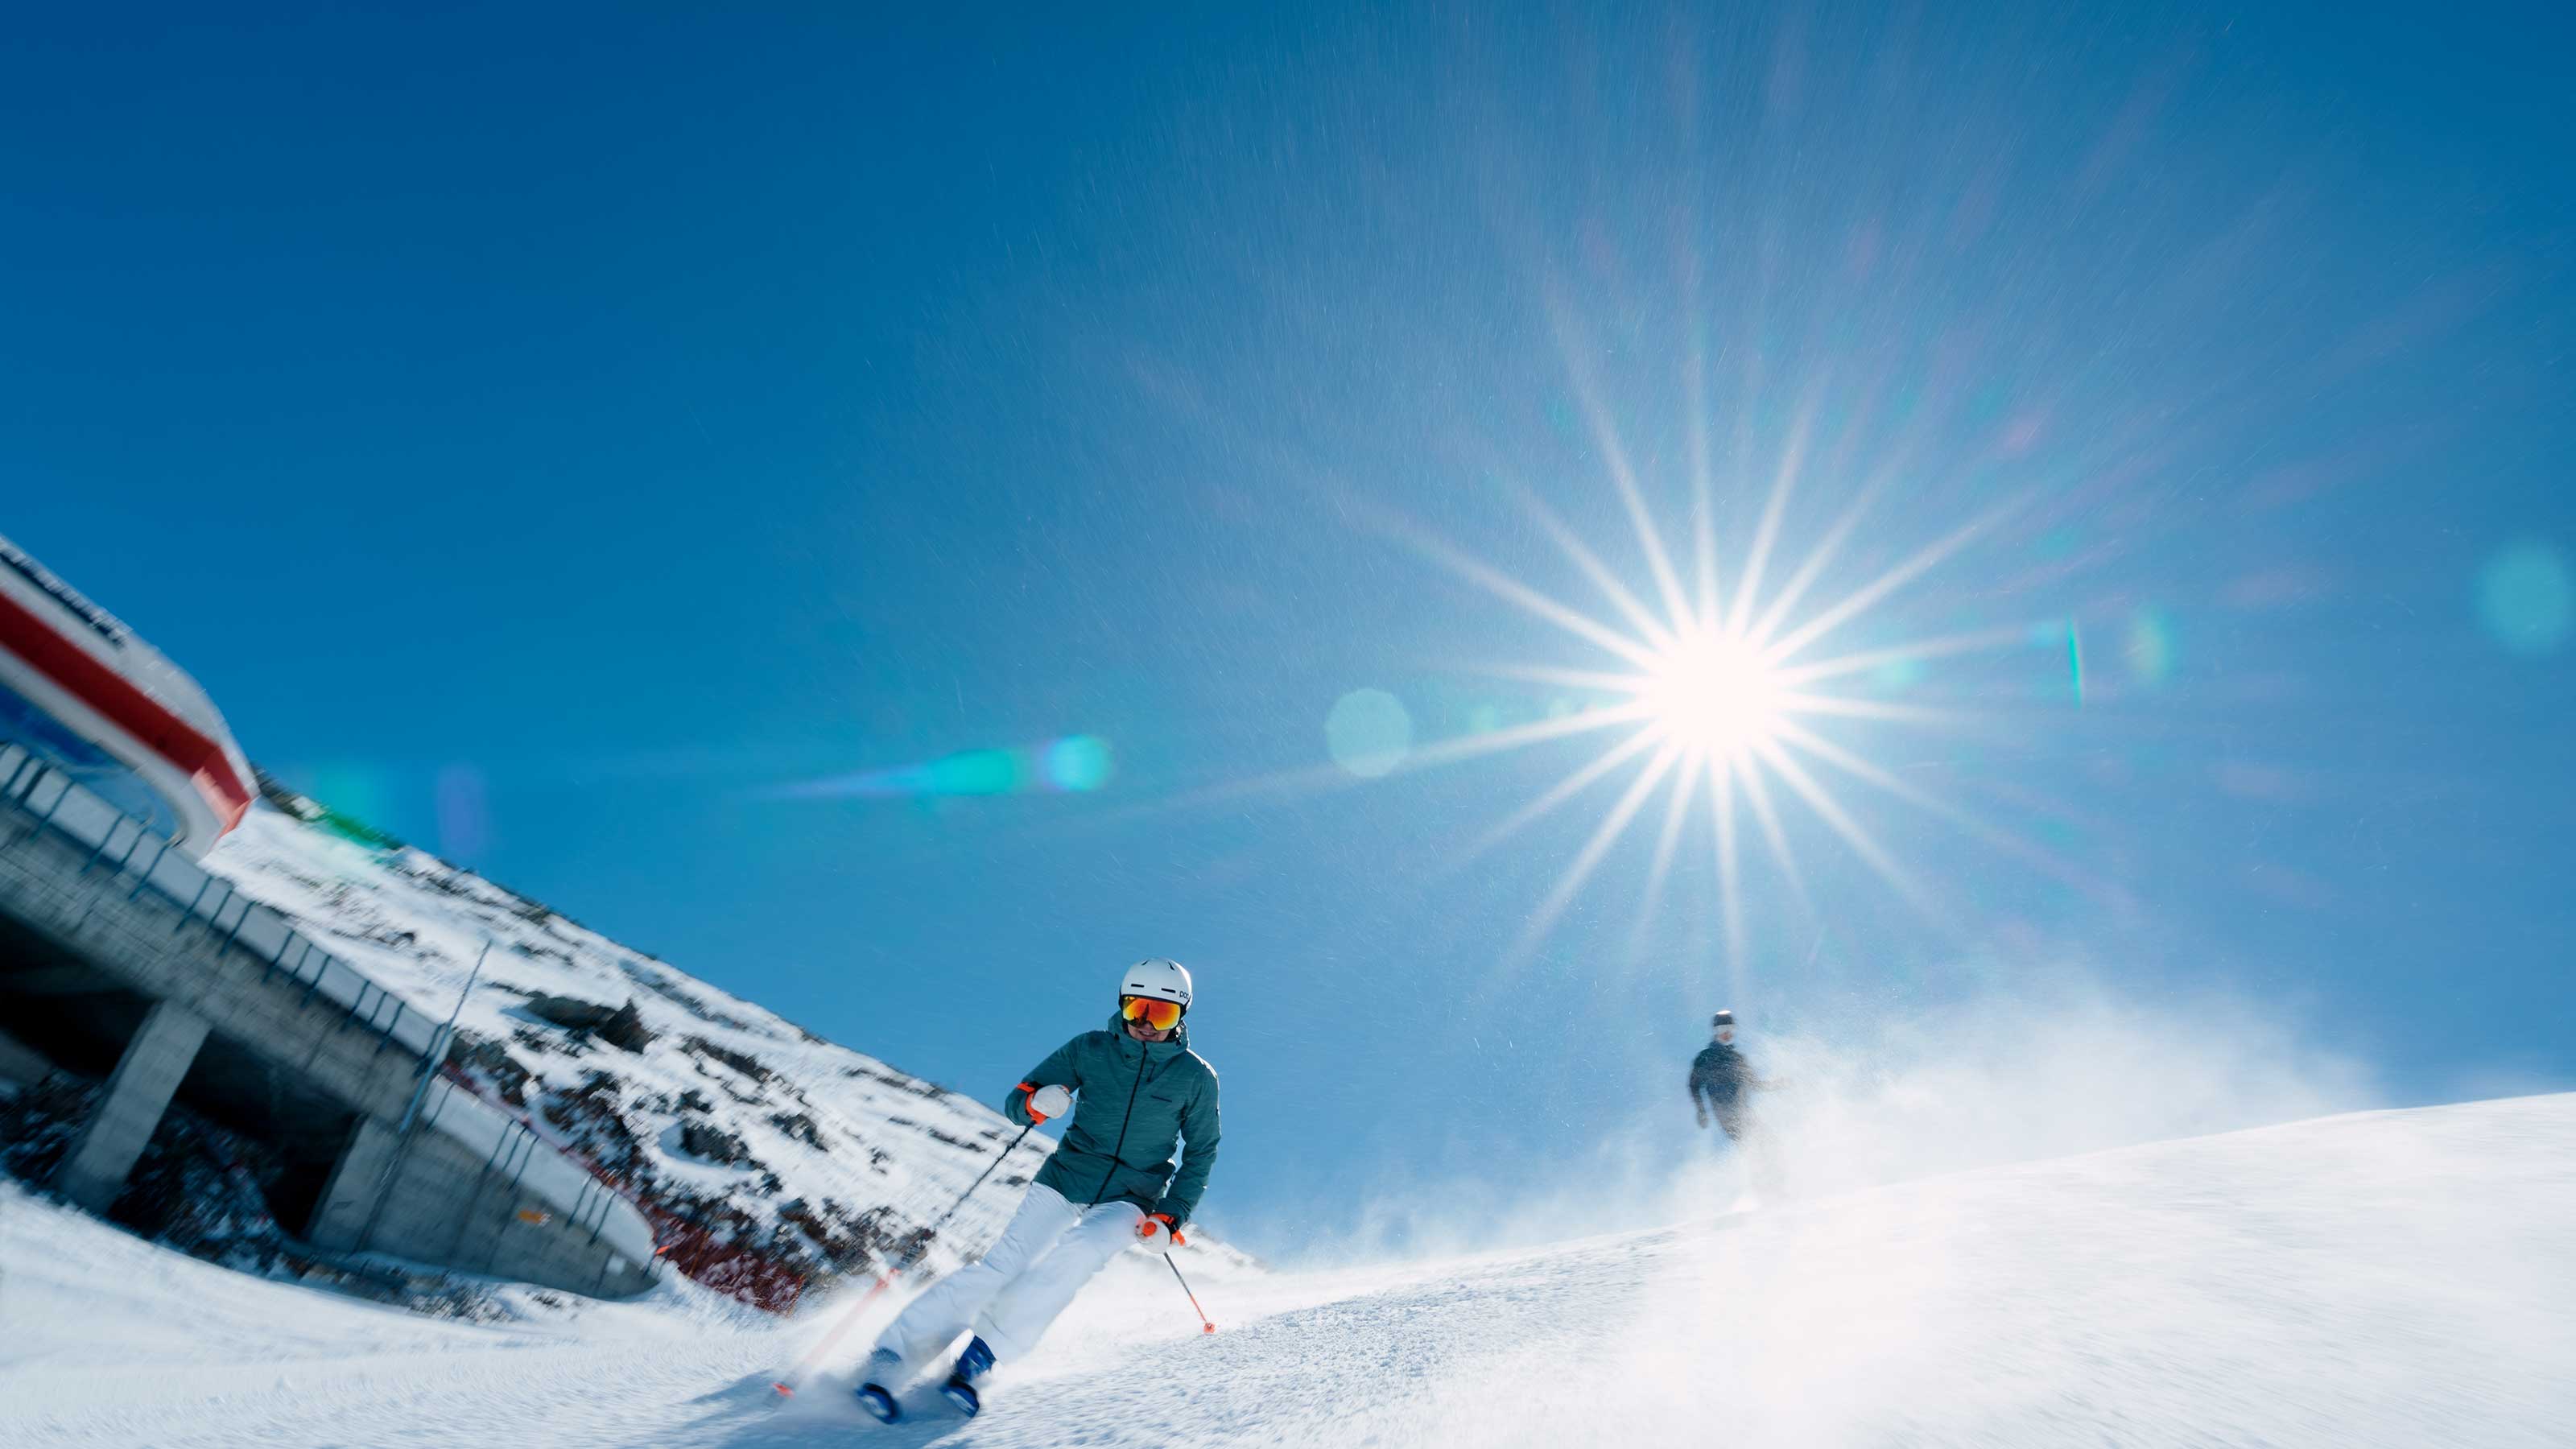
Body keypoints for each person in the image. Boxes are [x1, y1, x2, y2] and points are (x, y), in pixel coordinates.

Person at [855, 958, 1221, 1422]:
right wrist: (1035, 1102)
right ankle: (892, 1358)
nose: (1146, 1024)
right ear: (1123, 1006)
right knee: (1001, 1268)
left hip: (1133, 1195)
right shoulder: (1090, 1049)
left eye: (1161, 1013)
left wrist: (1171, 1216)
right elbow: (1018, 1101)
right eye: (1137, 1010)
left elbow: (1202, 1153)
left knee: (1076, 1257)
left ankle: (979, 1359)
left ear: (1181, 1016)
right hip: (1067, 1176)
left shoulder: (1195, 1077)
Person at [1687, 1009, 1773, 1142]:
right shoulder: (1706, 1058)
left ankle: (1772, 1161)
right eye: (1722, 1029)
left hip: (1743, 1111)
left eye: (1730, 1028)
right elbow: (1694, 1085)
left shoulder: (1737, 1058)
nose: (1727, 1033)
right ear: (1716, 1031)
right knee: (1750, 1140)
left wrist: (1777, 1085)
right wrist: (1701, 1111)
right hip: (1726, 1113)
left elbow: (1755, 1084)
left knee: (1767, 1141)